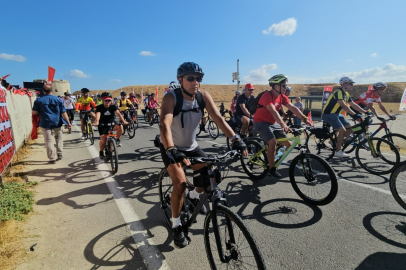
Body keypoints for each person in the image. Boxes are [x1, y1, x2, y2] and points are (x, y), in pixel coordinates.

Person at [159, 62, 247, 248]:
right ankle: (176, 225)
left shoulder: (203, 97)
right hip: (171, 146)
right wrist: (171, 149)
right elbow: (164, 125)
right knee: (180, 183)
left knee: (212, 174)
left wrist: (235, 138)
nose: (195, 82)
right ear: (180, 79)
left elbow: (219, 119)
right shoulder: (171, 97)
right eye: (190, 78)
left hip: (191, 146)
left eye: (198, 78)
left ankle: (193, 194)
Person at [254, 74, 313, 177]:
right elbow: (273, 111)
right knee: (272, 142)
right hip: (261, 122)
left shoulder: (282, 96)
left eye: (285, 85)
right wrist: (282, 124)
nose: (285, 87)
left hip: (273, 123)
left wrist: (304, 118)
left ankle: (274, 157)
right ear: (276, 86)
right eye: (283, 85)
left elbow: (292, 108)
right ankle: (271, 167)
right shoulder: (267, 96)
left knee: (288, 145)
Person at [322, 77, 368, 158]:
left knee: (350, 129)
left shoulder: (346, 94)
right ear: (344, 84)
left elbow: (354, 104)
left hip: (337, 114)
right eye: (351, 84)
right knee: (342, 130)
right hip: (328, 114)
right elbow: (344, 106)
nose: (352, 86)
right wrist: (355, 114)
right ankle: (338, 151)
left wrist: (365, 112)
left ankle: (337, 141)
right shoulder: (338, 92)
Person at [32, 83, 72, 163]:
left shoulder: (39, 101)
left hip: (45, 123)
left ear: (43, 91)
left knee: (48, 141)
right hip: (57, 122)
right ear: (52, 90)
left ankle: (52, 158)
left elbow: (34, 112)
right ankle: (59, 153)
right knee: (59, 138)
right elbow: (64, 112)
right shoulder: (58, 100)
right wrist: (68, 122)